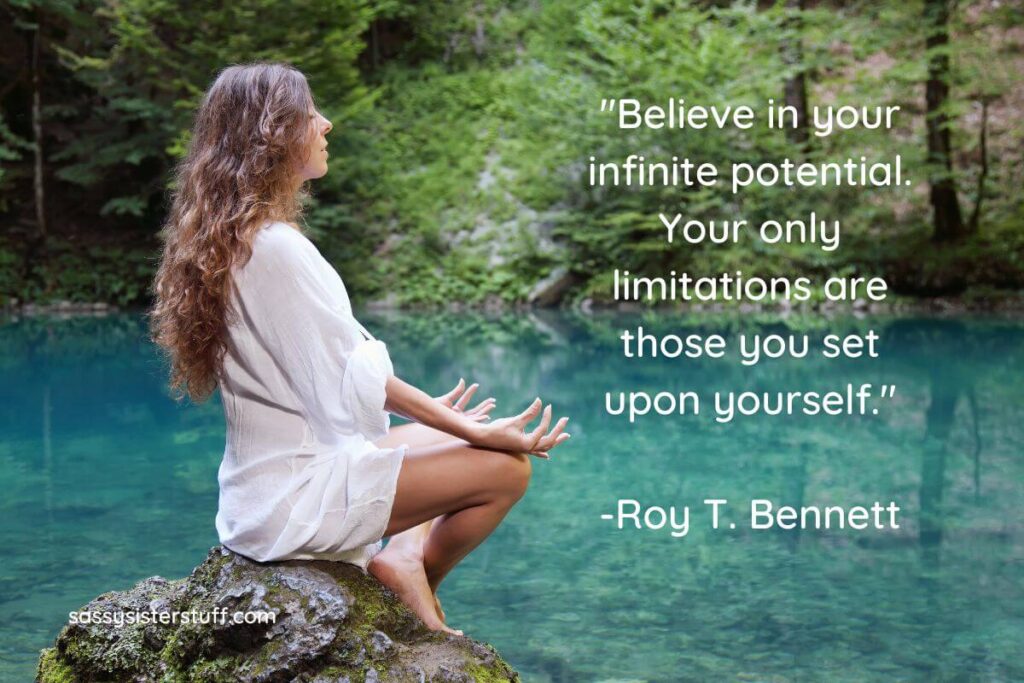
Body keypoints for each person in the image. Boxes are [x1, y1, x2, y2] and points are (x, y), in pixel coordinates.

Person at [149, 62, 570, 636]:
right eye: (309, 115)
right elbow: (352, 377)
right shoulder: (274, 249)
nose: (325, 123)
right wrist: (470, 432)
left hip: (265, 489)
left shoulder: (238, 240)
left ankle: (399, 557)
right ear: (272, 136)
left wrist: (447, 421)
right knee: (507, 470)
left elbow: (341, 374)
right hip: (292, 504)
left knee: (451, 428)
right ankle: (410, 572)